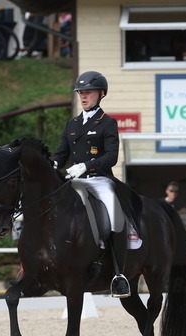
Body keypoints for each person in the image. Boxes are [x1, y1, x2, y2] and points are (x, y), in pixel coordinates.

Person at [54, 71, 132, 298]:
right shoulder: (73, 123)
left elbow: (111, 157)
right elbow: (61, 153)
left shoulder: (107, 123)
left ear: (101, 94)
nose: (83, 97)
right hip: (76, 181)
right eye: (81, 93)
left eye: (88, 92)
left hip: (100, 180)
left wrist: (86, 165)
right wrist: (53, 164)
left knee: (115, 219)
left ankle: (119, 275)